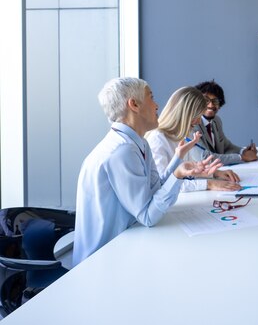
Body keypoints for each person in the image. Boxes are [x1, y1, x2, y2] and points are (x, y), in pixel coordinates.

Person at [73, 78, 222, 265]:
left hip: (124, 247)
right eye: (151, 97)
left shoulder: (139, 142)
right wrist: (177, 175)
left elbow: (155, 188)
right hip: (102, 261)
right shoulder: (121, 151)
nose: (157, 104)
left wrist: (178, 163)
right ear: (134, 104)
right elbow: (148, 216)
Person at [146, 86, 242, 192]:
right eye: (197, 116)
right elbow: (163, 184)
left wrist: (214, 173)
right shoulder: (157, 139)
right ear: (185, 114)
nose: (199, 122)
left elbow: (186, 174)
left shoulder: (185, 135)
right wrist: (209, 183)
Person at [193, 80, 258, 165]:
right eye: (206, 100)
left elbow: (226, 146)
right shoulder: (192, 125)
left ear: (220, 105)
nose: (211, 105)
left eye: (215, 101)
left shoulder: (216, 120)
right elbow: (205, 158)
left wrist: (244, 151)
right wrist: (242, 157)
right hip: (195, 175)